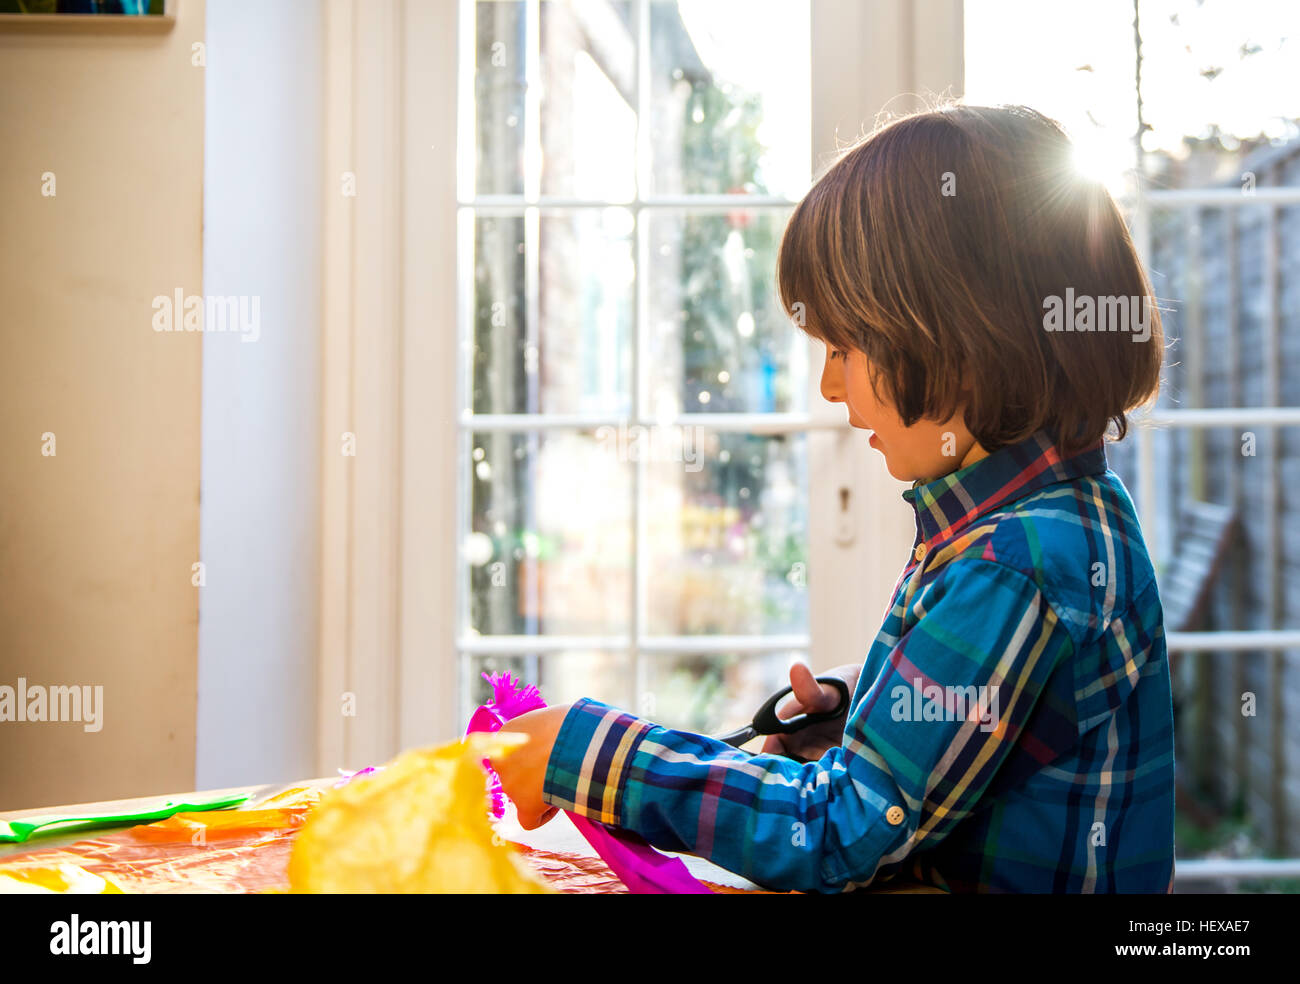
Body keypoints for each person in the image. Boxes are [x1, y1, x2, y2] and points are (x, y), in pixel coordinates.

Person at [491, 104, 1175, 893]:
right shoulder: (1061, 511)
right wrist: (867, 708)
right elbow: (1001, 729)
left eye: (846, 349)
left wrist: (591, 754)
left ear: (959, 341)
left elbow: (841, 831)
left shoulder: (1015, 564)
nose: (829, 387)